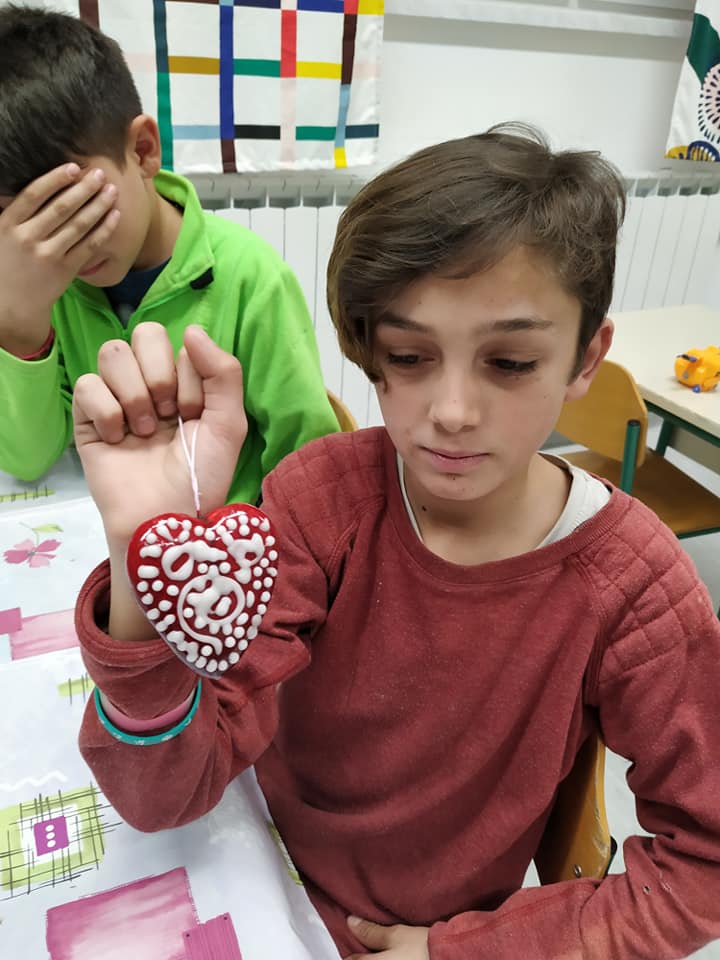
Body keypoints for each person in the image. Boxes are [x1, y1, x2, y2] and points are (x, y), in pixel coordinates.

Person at [73, 126, 720, 960]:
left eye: (511, 363)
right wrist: (138, 558)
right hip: (259, 873)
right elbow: (163, 795)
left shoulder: (635, 589)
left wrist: (471, 950)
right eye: (410, 356)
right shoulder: (322, 501)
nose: (452, 411)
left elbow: (703, 865)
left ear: (585, 357)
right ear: (371, 354)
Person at [0, 5, 338, 503]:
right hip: (111, 527)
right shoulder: (38, 284)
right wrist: (20, 324)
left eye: (70, 205)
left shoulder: (250, 276)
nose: (57, 245)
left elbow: (309, 463)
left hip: (230, 538)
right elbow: (29, 459)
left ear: (142, 150)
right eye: (16, 221)